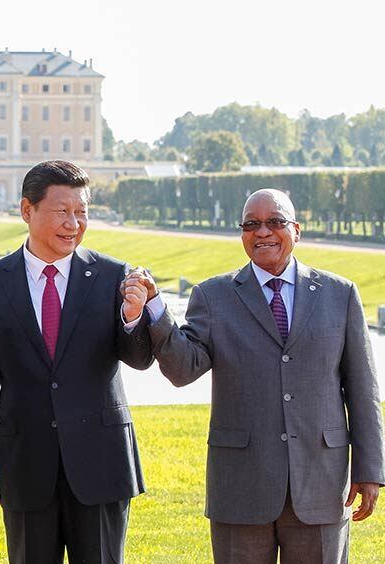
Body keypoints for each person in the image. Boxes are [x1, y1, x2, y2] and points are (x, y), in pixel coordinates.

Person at [128, 188, 384, 563]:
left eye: (275, 222)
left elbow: (362, 389)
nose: (262, 232)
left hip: (321, 483)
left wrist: (370, 469)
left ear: (296, 230)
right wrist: (155, 309)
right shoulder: (213, 296)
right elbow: (183, 370)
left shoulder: (340, 294)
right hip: (240, 487)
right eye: (251, 224)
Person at [0, 160, 154, 563]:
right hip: (25, 465)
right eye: (62, 211)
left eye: (81, 212)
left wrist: (133, 317)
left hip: (101, 463)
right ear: (27, 210)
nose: (74, 223)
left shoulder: (113, 276)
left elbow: (140, 359)